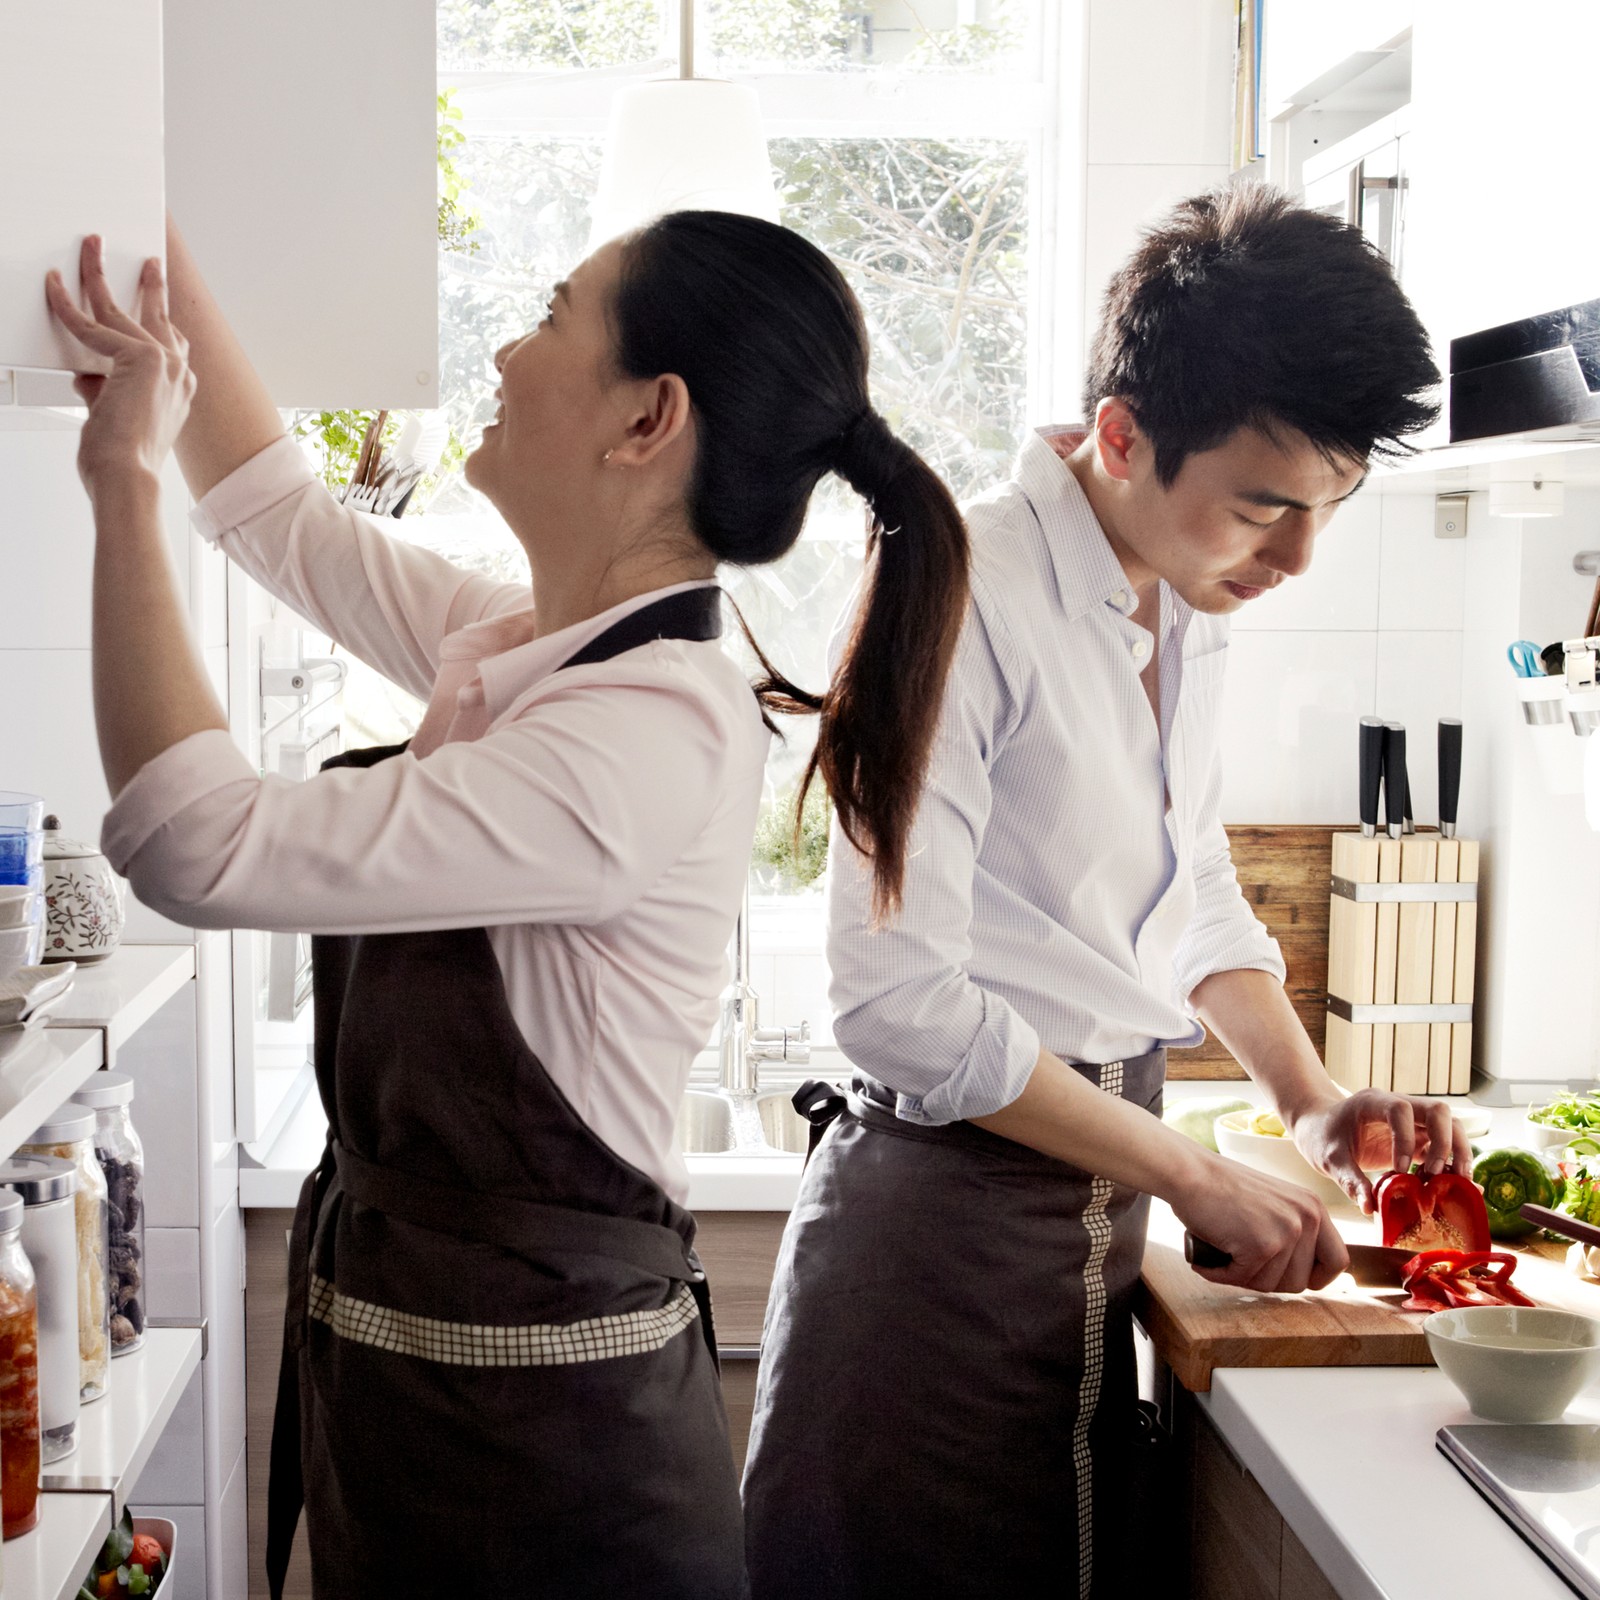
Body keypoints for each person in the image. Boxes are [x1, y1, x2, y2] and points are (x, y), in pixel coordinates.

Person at [43, 209, 969, 1598]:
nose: (504, 342)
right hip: (425, 1422)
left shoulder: (643, 733)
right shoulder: (543, 649)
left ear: (648, 419)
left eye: (551, 310)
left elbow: (200, 844)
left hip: (557, 1491)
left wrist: (121, 490)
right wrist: (136, 209)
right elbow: (276, 512)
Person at [743, 185, 1461, 1599]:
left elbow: (1185, 882)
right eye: (1265, 508)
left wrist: (1306, 1099)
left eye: (1325, 513)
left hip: (1081, 1229)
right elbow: (895, 1003)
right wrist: (1196, 1170)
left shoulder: (1178, 593)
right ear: (1122, 435)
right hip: (938, 1254)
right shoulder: (956, 586)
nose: (1294, 560)